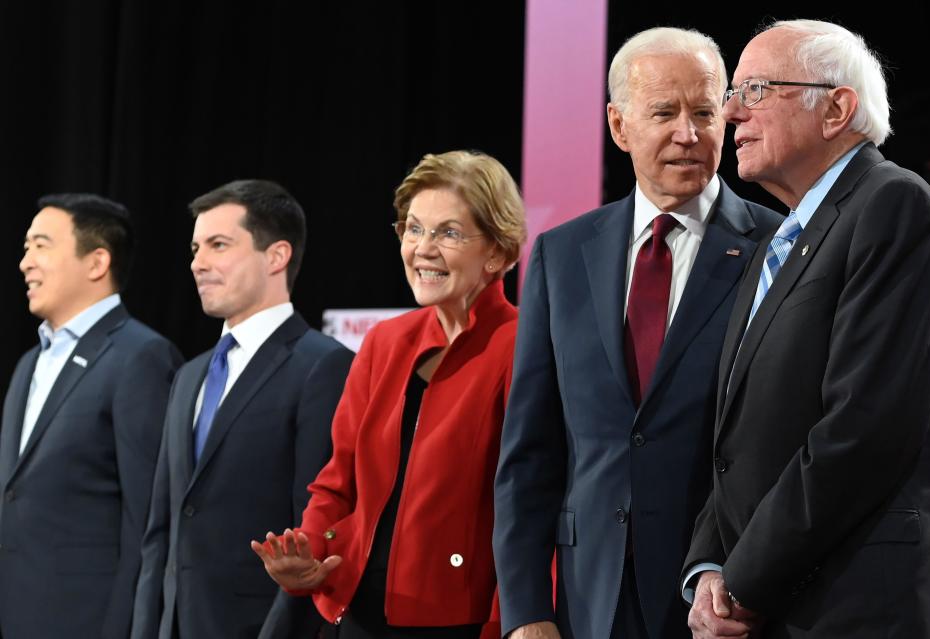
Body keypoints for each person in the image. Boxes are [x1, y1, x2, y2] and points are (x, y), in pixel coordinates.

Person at [492, 26, 782, 639]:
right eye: (664, 112)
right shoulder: (560, 256)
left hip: (726, 594)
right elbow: (529, 452)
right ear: (619, 126)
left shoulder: (778, 248)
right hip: (588, 594)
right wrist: (525, 612)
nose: (689, 133)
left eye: (705, 112)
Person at [684, 19, 930, 639]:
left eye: (755, 91)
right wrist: (709, 564)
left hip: (856, 604)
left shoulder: (894, 207)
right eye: (733, 92)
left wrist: (743, 580)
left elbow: (864, 429)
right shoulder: (777, 243)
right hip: (777, 597)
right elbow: (739, 440)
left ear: (836, 108)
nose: (729, 113)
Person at [251, 150, 526, 639]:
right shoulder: (384, 342)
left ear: (498, 253)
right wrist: (309, 553)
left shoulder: (525, 345)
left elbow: (533, 504)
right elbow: (337, 483)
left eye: (449, 233)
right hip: (358, 614)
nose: (423, 248)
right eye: (414, 228)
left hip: (462, 621)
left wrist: (518, 618)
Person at [131, 180, 353, 639]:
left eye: (218, 245)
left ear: (276, 256)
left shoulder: (322, 365)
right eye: (195, 248)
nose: (198, 263)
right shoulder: (189, 375)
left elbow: (316, 525)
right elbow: (161, 533)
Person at [0, 193, 182, 639]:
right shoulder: (28, 363)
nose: (26, 262)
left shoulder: (141, 356)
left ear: (97, 261)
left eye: (41, 245)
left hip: (91, 622)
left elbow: (148, 523)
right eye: (26, 248)